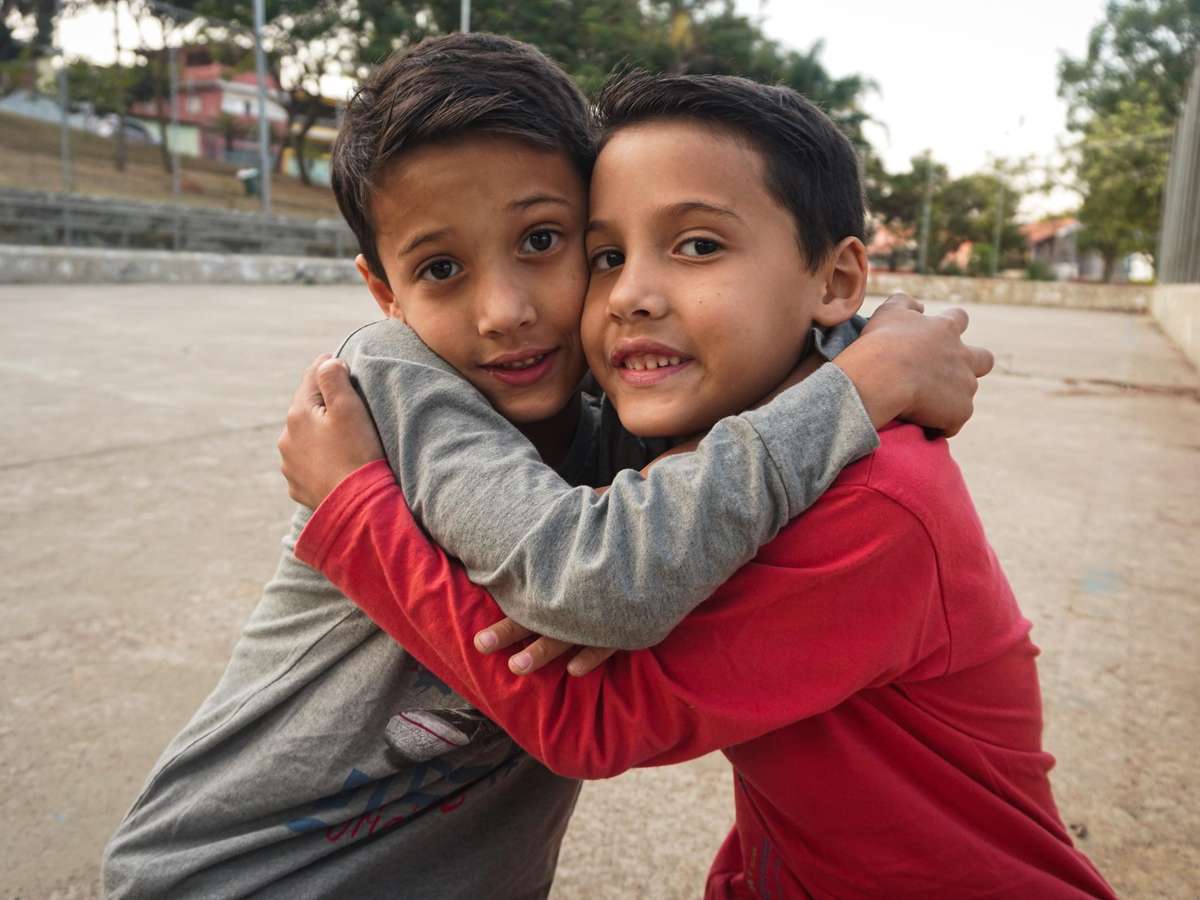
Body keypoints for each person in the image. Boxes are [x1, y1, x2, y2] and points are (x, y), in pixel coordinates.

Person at [102, 35, 988, 900]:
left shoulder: (634, 431)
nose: (506, 311)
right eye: (441, 268)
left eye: (545, 242)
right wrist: (858, 386)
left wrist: (868, 350)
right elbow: (589, 577)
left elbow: (737, 397)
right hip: (241, 873)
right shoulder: (393, 381)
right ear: (387, 295)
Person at [279, 69, 1115, 898]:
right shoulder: (733, 445)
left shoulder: (876, 504)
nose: (632, 295)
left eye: (699, 245)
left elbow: (587, 715)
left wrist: (359, 516)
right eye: (605, 256)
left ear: (834, 280)